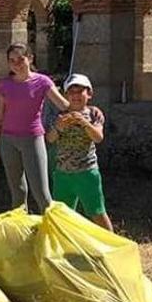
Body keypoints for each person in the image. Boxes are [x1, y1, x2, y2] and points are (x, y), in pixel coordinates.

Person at [0, 43, 69, 214]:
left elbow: (64, 105)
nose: (16, 64)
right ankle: (21, 233)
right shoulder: (4, 85)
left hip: (32, 139)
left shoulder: (42, 82)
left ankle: (52, 233)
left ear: (30, 58)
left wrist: (88, 110)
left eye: (20, 59)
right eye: (12, 61)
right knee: (18, 192)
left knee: (41, 194)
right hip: (8, 141)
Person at [46, 74, 113, 231]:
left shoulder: (94, 113)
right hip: (62, 173)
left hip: (87, 173)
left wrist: (84, 123)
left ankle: (111, 245)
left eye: (80, 91)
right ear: (65, 95)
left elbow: (98, 137)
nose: (75, 95)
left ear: (89, 94)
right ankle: (66, 248)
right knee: (63, 215)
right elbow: (50, 139)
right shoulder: (58, 115)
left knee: (97, 212)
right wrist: (58, 128)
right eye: (71, 92)